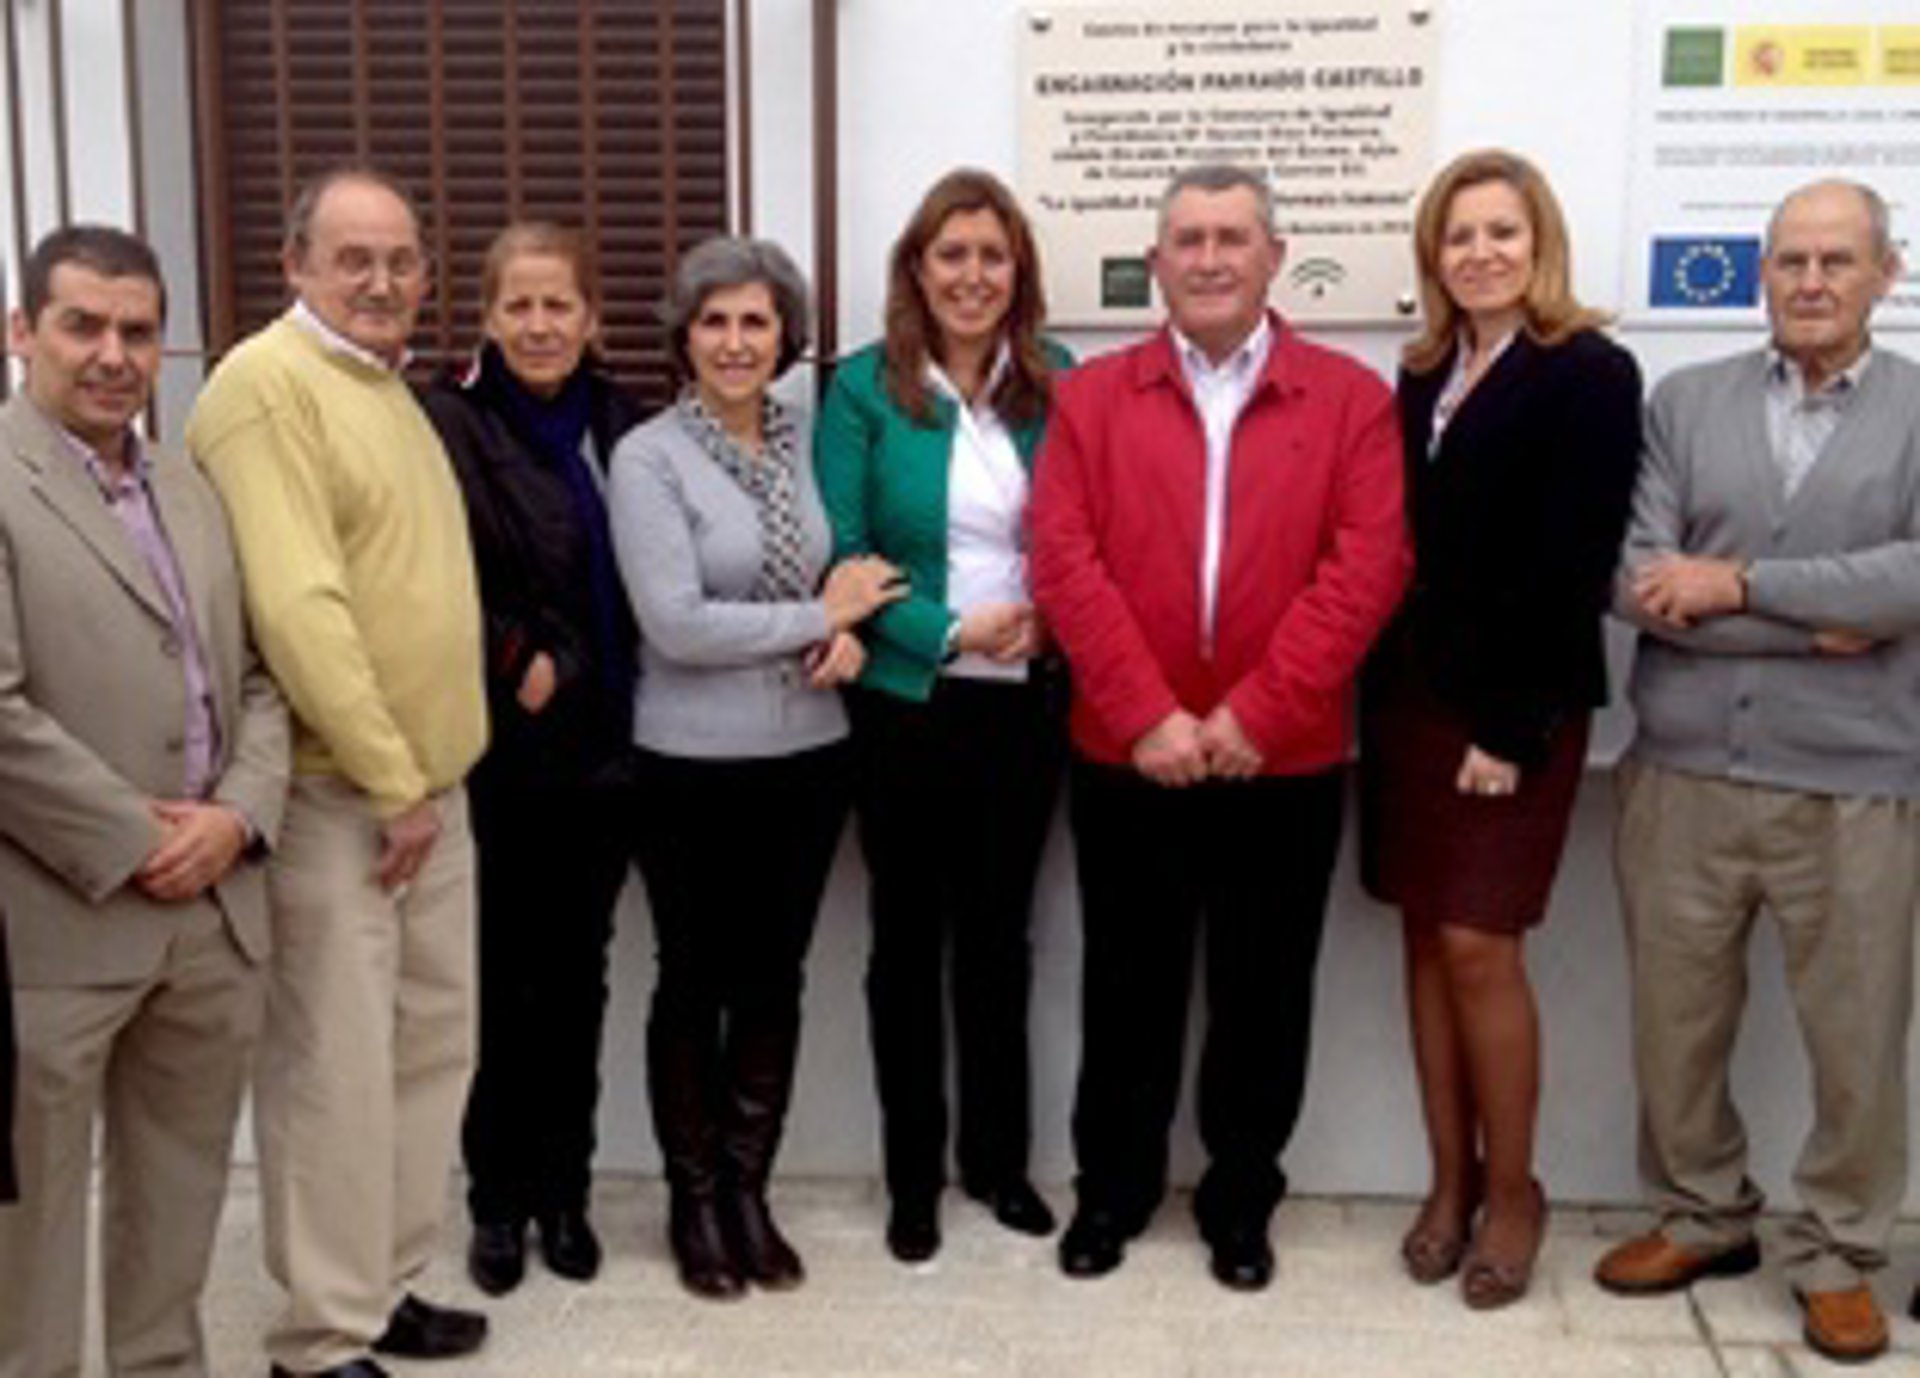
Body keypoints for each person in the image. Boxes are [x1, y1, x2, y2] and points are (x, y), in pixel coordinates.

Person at [1029, 164, 1409, 1290]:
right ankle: (1113, 1191)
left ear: (1273, 256)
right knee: (1127, 986)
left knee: (1264, 992)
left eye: (1231, 238)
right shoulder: (1093, 397)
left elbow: (1368, 567)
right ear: (1156, 263)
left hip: (1281, 761)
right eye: (1187, 240)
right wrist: (1147, 714)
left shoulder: (1350, 398)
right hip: (1127, 755)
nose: (1208, 259)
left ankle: (1241, 1202)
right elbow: (1063, 558)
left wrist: (1260, 712)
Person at [1597, 179, 1918, 1365]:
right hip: (1682, 769)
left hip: (1857, 782)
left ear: (1886, 274)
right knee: (1675, 1019)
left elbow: (1912, 582)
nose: (1811, 281)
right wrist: (1821, 622)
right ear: (1762, 272)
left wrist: (1736, 585)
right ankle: (1703, 1213)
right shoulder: (1686, 403)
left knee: (1857, 1036)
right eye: (1790, 260)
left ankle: (1839, 1252)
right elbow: (1636, 580)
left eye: (1837, 260)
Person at [187, 167, 490, 1378]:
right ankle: (319, 1337)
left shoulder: (385, 386)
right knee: (335, 1072)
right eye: (353, 257)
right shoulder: (265, 388)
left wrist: (425, 784)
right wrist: (391, 779)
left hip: (429, 795)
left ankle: (382, 1284)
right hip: (343, 799)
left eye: (401, 259)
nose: (381, 280)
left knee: (427, 1053)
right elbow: (298, 605)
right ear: (295, 265)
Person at [0, 225, 289, 1377]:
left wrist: (238, 817)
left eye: (137, 331)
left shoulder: (189, 486)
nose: (113, 355)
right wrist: (136, 839)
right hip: (53, 926)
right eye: (82, 325)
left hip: (212, 914)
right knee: (29, 1227)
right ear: (22, 331)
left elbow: (258, 676)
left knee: (178, 1201)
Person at [1357, 150, 1643, 1308]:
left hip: (1514, 707)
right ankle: (1450, 1180)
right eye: (1459, 234)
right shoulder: (1424, 372)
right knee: (1426, 940)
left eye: (1502, 233)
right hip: (1412, 701)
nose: (1480, 253)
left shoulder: (1589, 372)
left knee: (1481, 944)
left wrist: (1512, 728)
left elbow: (1574, 560)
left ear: (1541, 244)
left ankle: (1516, 1191)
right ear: (1434, 255)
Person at [608, 236, 901, 1299]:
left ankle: (746, 1190)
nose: (736, 342)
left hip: (809, 757)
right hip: (688, 763)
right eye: (715, 322)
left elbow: (846, 573)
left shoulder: (800, 440)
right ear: (684, 337)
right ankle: (692, 1200)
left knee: (775, 977)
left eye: (756, 321)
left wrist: (850, 632)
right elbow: (677, 624)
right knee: (694, 979)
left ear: (786, 336)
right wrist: (818, 619)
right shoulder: (648, 458)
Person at [814, 168, 1071, 1264]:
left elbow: (1093, 531)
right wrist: (949, 630)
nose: (972, 275)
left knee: (1000, 940)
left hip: (1026, 703)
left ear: (1019, 271)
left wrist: (1051, 621)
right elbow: (844, 550)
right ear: (917, 270)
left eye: (991, 256)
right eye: (951, 254)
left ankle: (999, 1164)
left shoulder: (1059, 381)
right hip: (906, 705)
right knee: (909, 943)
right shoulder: (864, 388)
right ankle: (913, 1177)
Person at [419, 222, 646, 1296]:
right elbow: (422, 575)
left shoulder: (622, 423)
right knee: (503, 986)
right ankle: (497, 1204)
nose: (541, 324)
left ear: (592, 317)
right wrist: (519, 653)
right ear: (488, 316)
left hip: (610, 752)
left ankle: (567, 1195)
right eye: (520, 305)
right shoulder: (446, 423)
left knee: (579, 983)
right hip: (506, 748)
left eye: (560, 305)